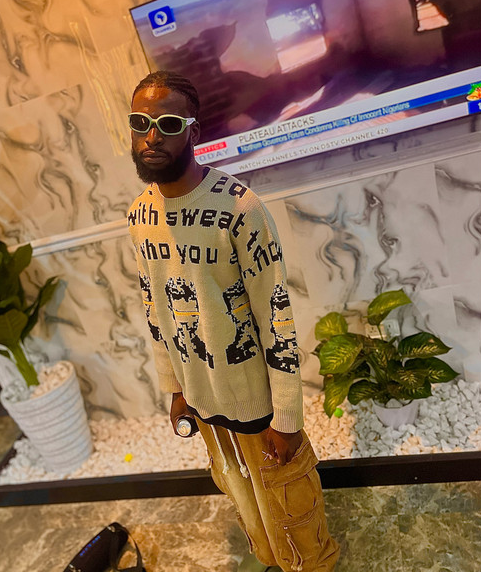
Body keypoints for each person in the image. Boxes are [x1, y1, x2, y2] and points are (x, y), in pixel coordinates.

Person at [127, 70, 340, 572]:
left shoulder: (239, 208)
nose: (152, 137)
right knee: (241, 495)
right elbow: (155, 310)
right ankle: (270, 560)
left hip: (253, 396)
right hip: (202, 398)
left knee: (290, 501)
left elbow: (275, 315)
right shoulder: (140, 216)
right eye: (140, 123)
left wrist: (287, 417)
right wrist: (174, 389)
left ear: (194, 132)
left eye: (168, 124)